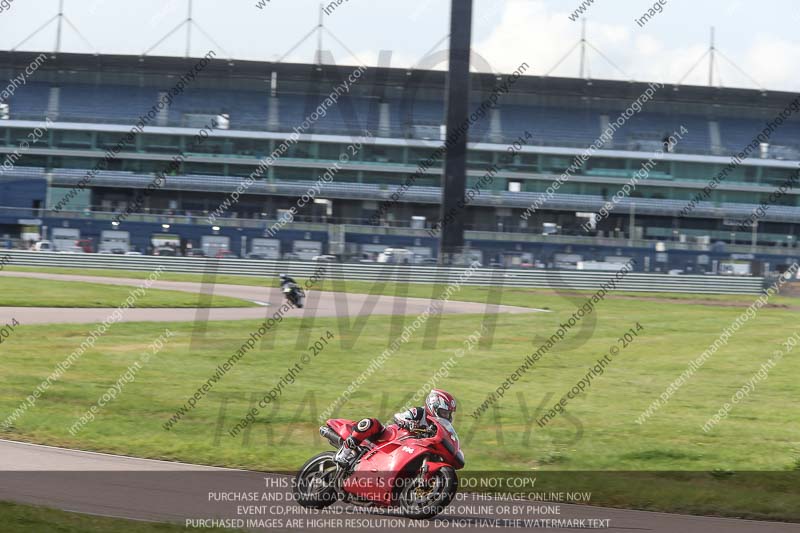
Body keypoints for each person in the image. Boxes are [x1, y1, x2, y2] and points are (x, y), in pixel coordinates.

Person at [341, 389, 457, 453]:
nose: (446, 417)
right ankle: (344, 453)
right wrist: (407, 423)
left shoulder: (438, 427)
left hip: (409, 449)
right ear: (433, 406)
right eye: (444, 413)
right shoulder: (419, 412)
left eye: (448, 414)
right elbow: (398, 416)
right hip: (390, 438)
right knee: (371, 423)